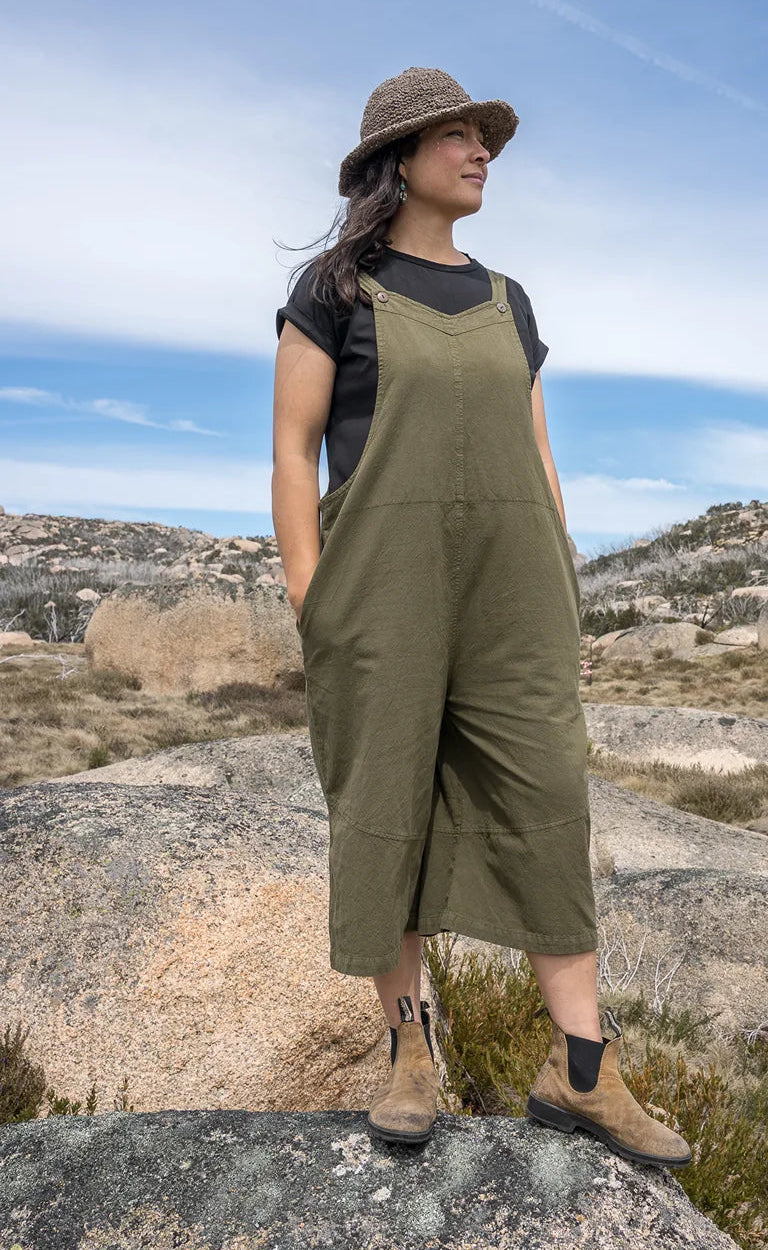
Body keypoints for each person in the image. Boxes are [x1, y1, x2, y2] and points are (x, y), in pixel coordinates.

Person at [272, 66, 691, 1169]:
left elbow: (540, 450)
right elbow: (291, 447)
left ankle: (581, 1069)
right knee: (387, 801)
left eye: (482, 137)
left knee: (549, 796)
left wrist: (558, 568)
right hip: (380, 591)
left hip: (515, 594)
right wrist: (315, 600)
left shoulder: (510, 301)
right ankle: (409, 1048)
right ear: (397, 162)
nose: (480, 152)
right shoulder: (336, 289)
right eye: (454, 138)